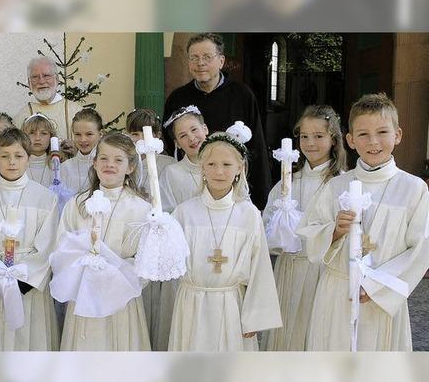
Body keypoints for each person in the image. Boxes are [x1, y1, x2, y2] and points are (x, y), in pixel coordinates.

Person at [299, 93, 429, 351]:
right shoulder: (336, 186)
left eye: (382, 132)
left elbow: (421, 248)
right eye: (363, 134)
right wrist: (334, 231)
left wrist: (378, 285)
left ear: (398, 135)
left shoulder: (413, 189)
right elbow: (309, 232)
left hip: (382, 298)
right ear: (350, 140)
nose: (373, 142)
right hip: (337, 293)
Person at [168, 125, 282, 351]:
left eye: (227, 165)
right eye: (211, 164)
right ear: (202, 167)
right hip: (192, 303)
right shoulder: (184, 212)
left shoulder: (248, 214)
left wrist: (255, 316)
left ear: (240, 168)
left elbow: (260, 267)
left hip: (232, 305)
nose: (219, 172)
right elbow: (167, 260)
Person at [55, 133, 151, 351]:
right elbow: (62, 247)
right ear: (95, 162)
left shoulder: (141, 209)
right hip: (84, 294)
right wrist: (85, 270)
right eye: (104, 158)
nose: (110, 165)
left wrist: (113, 276)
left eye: (118, 160)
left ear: (131, 167)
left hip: (122, 298)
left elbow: (144, 260)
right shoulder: (77, 204)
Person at [261, 105, 347, 351]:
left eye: (318, 136)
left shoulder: (341, 182)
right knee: (286, 334)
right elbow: (268, 225)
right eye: (304, 136)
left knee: (315, 333)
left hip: (322, 270)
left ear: (333, 139)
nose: (310, 143)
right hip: (289, 268)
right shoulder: (286, 182)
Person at [0, 128, 60, 350]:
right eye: (5, 156)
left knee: (34, 342)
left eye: (18, 156)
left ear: (28, 158)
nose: (12, 162)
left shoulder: (45, 198)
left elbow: (49, 245)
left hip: (30, 286)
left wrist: (20, 282)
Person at [163, 33, 271, 209]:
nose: (200, 63)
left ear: (221, 61)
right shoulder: (177, 99)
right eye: (194, 58)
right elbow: (171, 144)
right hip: (190, 188)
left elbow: (256, 146)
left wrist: (260, 198)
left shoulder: (242, 95)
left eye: (207, 57)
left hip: (233, 190)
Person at [125, 108, 176, 351]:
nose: (140, 139)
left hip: (160, 239)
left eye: (145, 133)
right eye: (134, 133)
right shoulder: (128, 163)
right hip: (137, 240)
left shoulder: (168, 164)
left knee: (161, 300)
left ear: (157, 135)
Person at [12, 56, 81, 151]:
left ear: (57, 79)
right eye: (35, 77)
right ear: (29, 83)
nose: (41, 81)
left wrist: (77, 148)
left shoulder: (76, 111)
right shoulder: (22, 116)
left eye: (46, 76)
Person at [159, 106, 209, 212]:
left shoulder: (224, 165)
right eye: (183, 135)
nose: (191, 138)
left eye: (194, 130)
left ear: (205, 129)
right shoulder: (171, 173)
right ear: (177, 143)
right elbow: (167, 212)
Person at [60, 108, 103, 195]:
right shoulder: (65, 167)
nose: (83, 139)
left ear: (100, 134)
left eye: (89, 134)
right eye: (78, 134)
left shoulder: (106, 165)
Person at [21, 113, 57, 188]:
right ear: (23, 136)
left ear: (51, 137)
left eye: (43, 133)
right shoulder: (17, 165)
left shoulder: (57, 165)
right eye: (32, 133)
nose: (37, 138)